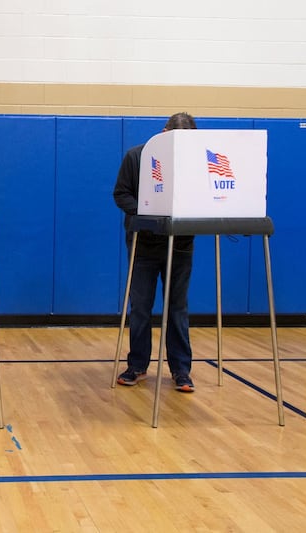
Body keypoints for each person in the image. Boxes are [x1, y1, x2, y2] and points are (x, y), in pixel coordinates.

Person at [113, 112, 197, 393]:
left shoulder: (195, 165)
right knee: (140, 308)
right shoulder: (136, 156)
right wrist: (147, 212)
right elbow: (121, 194)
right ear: (163, 132)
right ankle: (137, 365)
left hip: (181, 244)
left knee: (177, 308)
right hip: (144, 245)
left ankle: (181, 370)